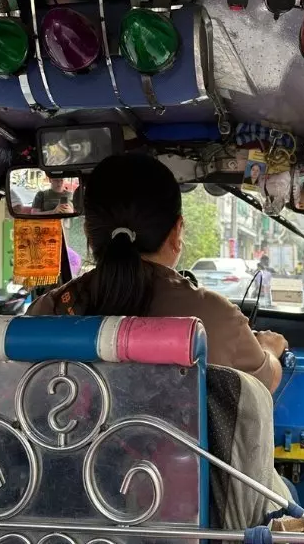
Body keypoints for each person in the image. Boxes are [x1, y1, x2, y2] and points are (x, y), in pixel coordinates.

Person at [26, 154, 286, 393]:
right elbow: (266, 382)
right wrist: (269, 348)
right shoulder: (216, 317)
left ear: (88, 234)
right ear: (177, 232)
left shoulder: (45, 312)